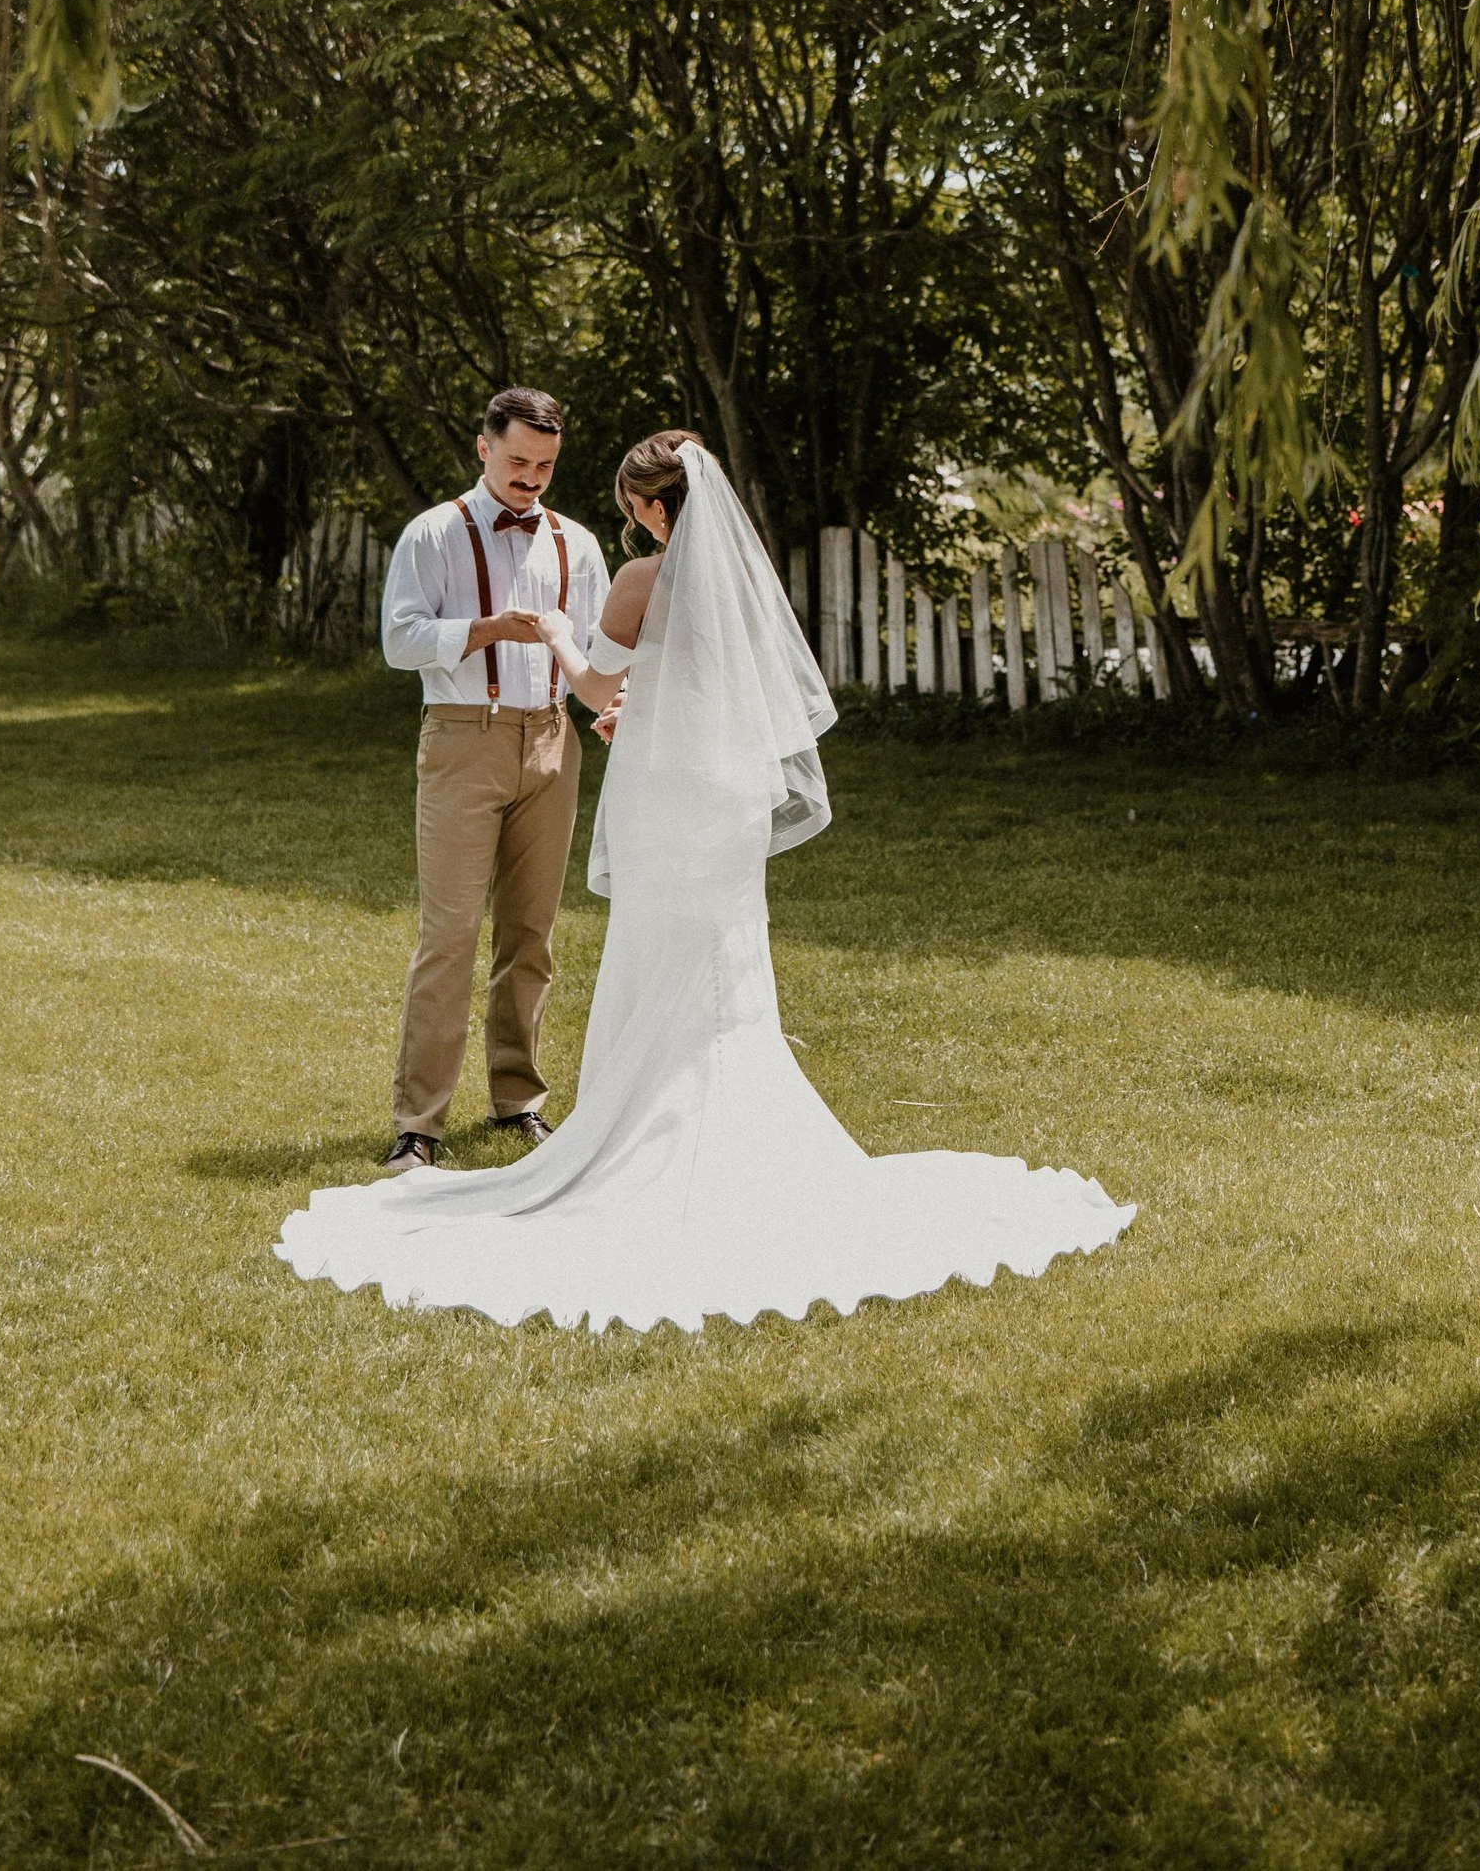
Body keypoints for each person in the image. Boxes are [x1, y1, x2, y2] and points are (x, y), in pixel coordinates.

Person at [279, 431, 1132, 1329]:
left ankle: (648, 1128)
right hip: (726, 794)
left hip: (667, 796)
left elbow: (594, 682)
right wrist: (641, 707)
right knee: (724, 957)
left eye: (634, 509)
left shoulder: (640, 579)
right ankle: (735, 1129)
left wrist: (563, 636)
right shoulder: (737, 581)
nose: (633, 523)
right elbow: (715, 689)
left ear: (655, 508)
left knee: (661, 953)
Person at [375, 385, 611, 1168]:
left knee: (531, 934)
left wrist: (614, 704)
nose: (531, 478)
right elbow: (401, 642)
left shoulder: (578, 544)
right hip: (461, 739)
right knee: (448, 936)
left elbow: (600, 653)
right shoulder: (433, 532)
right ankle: (419, 1124)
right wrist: (487, 630)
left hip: (552, 741)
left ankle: (519, 1102)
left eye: (545, 465)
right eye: (518, 461)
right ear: (484, 447)